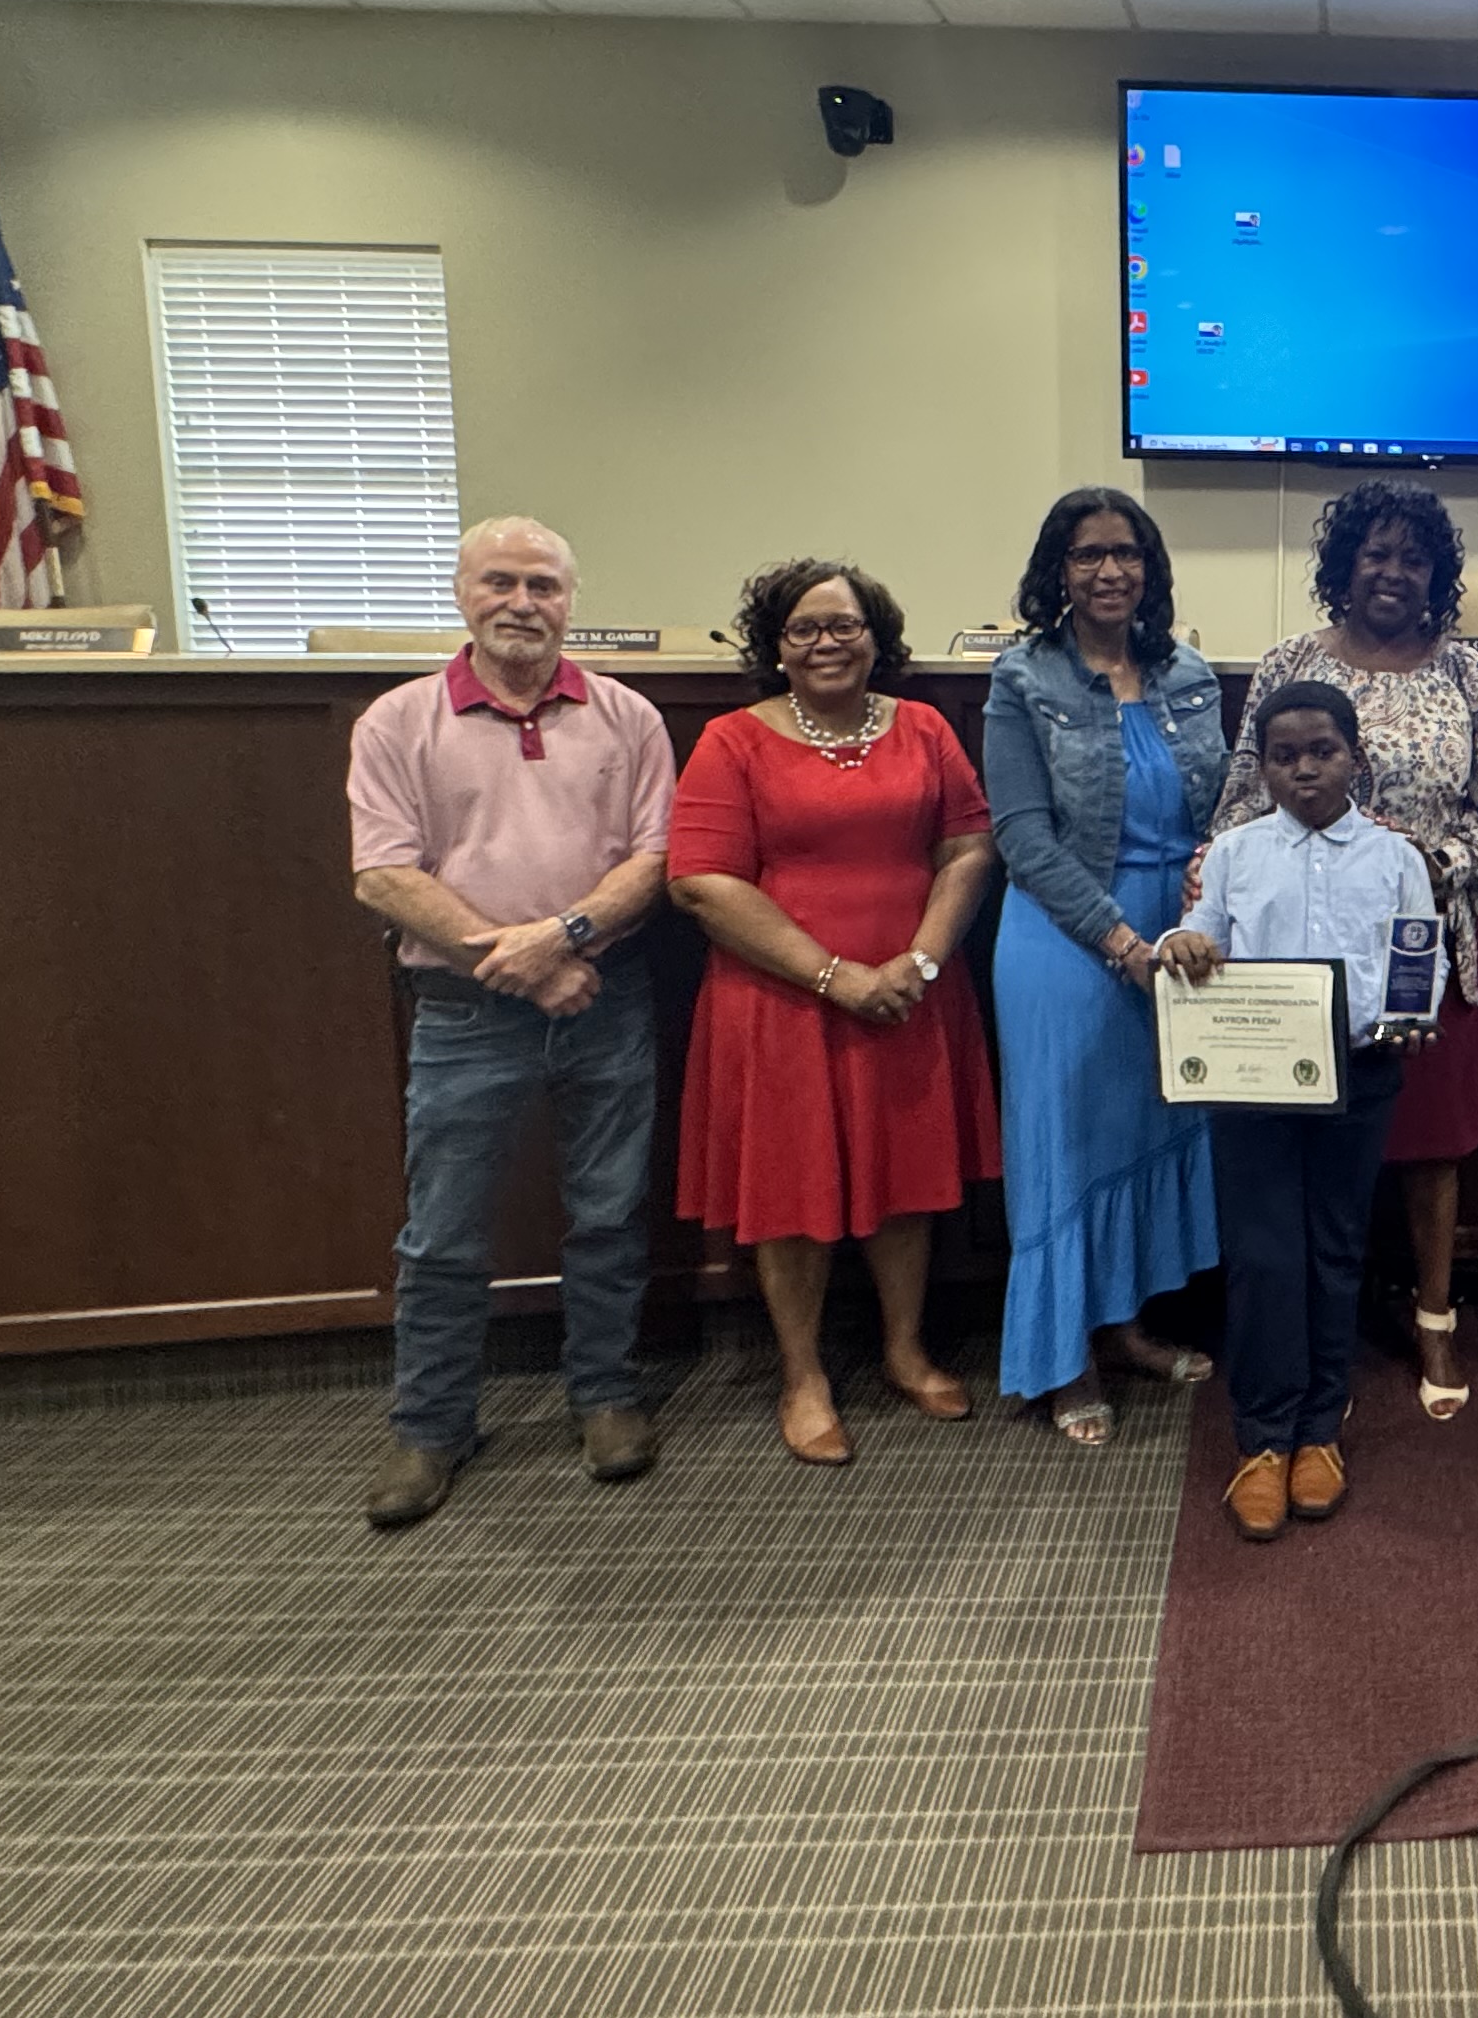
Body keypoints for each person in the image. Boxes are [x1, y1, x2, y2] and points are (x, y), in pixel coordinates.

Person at [343, 516, 676, 1530]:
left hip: (609, 1001)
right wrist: (526, 969)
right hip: (462, 1013)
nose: (522, 602)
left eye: (543, 585)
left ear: (571, 601)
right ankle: (432, 1425)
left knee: (612, 1216)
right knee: (443, 1235)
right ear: (461, 592)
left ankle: (605, 1397)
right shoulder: (397, 722)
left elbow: (657, 861)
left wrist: (566, 938)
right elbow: (383, 876)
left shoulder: (628, 716)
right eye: (500, 582)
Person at [668, 558, 1000, 1467]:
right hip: (780, 1001)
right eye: (804, 628)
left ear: (876, 636)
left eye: (844, 626)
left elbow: (969, 848)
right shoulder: (733, 740)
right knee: (789, 1194)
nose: (826, 643)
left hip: (911, 992)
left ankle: (904, 1349)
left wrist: (919, 961)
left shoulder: (926, 727)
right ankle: (804, 1375)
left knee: (907, 1177)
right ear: (775, 645)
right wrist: (833, 977)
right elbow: (701, 882)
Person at [1211, 479, 1478, 1419]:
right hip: (1289, 966)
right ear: (1342, 565)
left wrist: (1426, 862)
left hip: (1422, 950)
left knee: (1429, 1146)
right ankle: (1320, 1341)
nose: (1394, 573)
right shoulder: (1286, 664)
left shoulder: (1470, 674)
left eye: (1415, 558)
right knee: (1306, 1154)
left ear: (1439, 574)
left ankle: (1434, 1315)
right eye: (1375, 554)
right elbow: (1237, 803)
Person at [980, 487, 1228, 1443]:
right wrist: (1121, 942)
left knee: (1143, 1133)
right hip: (1068, 934)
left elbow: (1223, 807)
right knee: (1067, 1147)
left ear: (1151, 567)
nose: (1110, 570)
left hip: (1181, 935)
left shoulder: (1189, 672)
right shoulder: (1024, 678)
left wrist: (1205, 905)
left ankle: (1125, 1326)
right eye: (1087, 555)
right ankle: (1062, 1359)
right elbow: (1022, 836)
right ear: (1059, 570)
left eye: (1126, 552)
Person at [1165, 681, 1437, 1540]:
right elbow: (1200, 938)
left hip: (1360, 1075)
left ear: (1356, 756)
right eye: (1284, 756)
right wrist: (1186, 947)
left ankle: (1321, 1427)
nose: (1304, 769)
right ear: (1264, 766)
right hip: (1255, 1087)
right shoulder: (1236, 853)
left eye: (1322, 751)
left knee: (1334, 1249)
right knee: (1262, 1256)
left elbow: (1415, 954)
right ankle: (1263, 1437)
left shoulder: (1395, 856)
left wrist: (1411, 1013)